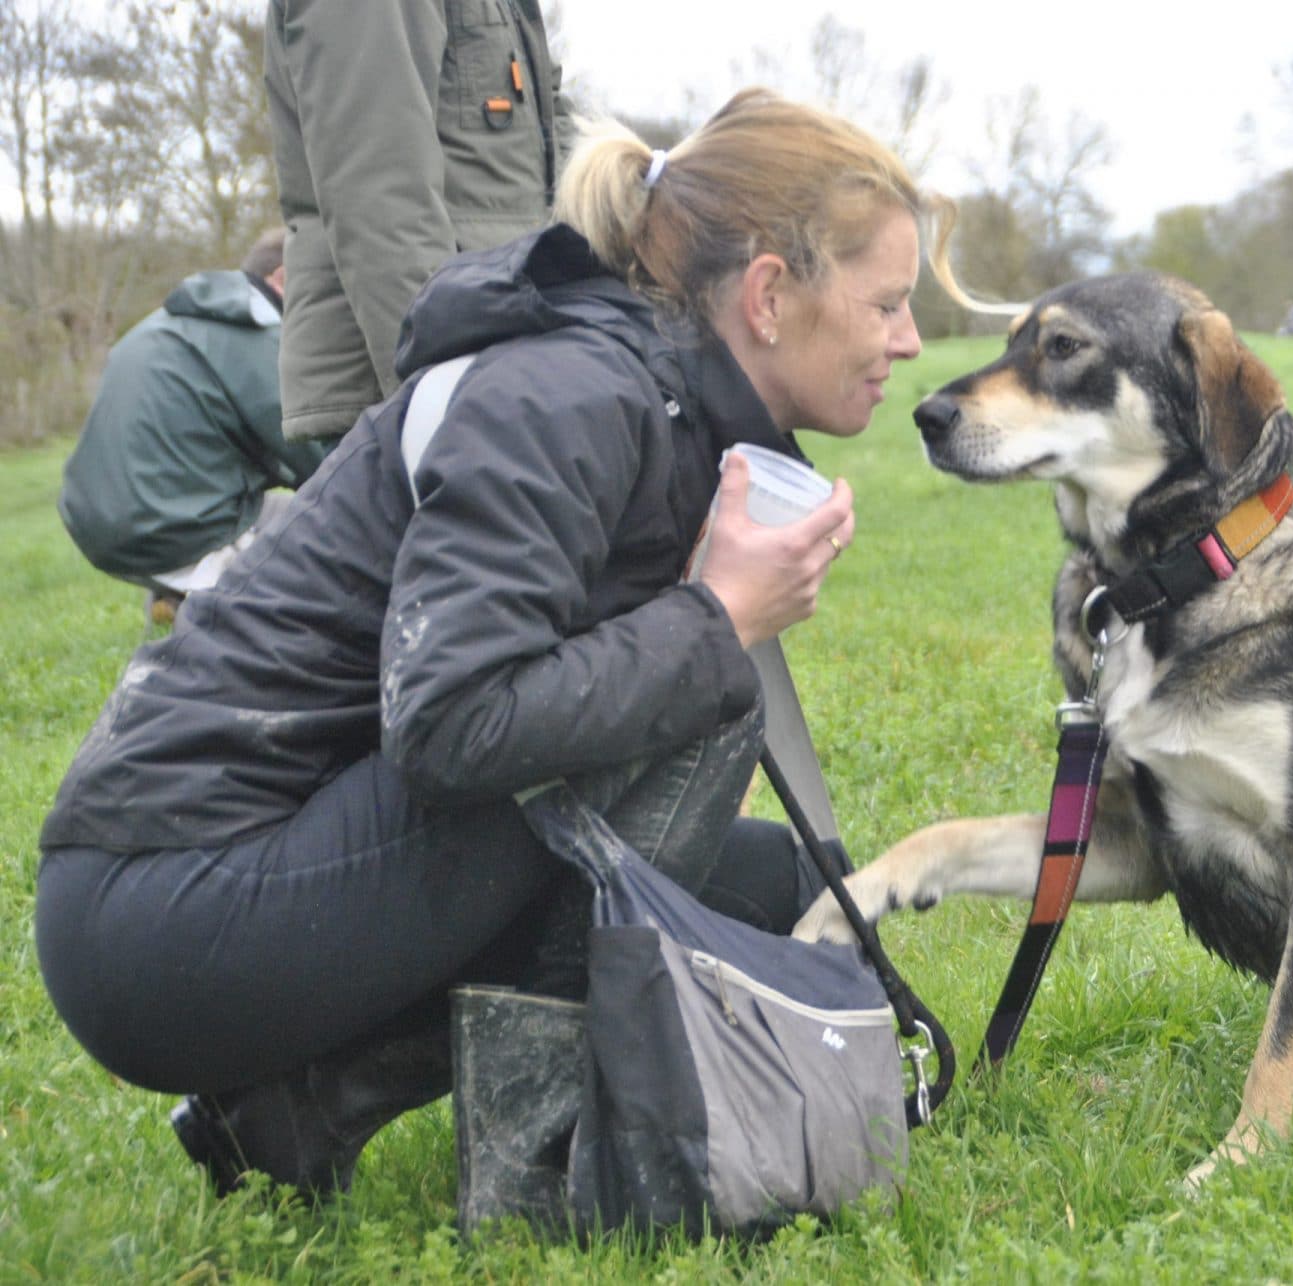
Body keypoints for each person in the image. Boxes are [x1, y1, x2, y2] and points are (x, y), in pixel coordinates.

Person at [35, 89, 958, 1199]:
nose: (908, 340)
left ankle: (309, 1100)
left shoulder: (658, 400)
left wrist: (704, 609)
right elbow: (450, 721)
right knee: (695, 689)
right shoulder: (571, 393)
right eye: (889, 302)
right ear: (769, 294)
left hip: (263, 872)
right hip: (164, 914)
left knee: (778, 887)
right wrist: (714, 615)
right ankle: (536, 1160)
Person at [263, 0, 567, 444]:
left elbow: (555, 139)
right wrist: (446, 399)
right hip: (429, 397)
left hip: (492, 368)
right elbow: (379, 194)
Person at [57, 229, 326, 619]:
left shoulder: (171, 322)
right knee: (327, 524)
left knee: (275, 507)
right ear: (282, 279)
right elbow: (317, 455)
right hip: (171, 527)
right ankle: (213, 592)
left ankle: (180, 592)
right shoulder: (257, 333)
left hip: (97, 527)